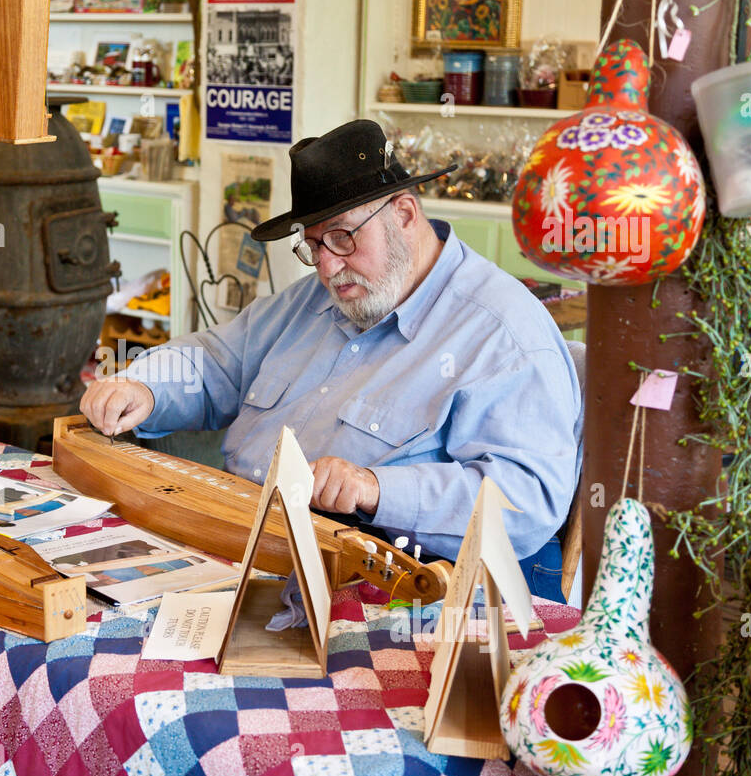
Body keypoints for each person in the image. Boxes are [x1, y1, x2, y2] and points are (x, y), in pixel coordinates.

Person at [80, 119, 583, 600]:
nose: (326, 265)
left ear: (404, 215)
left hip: (398, 586)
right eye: (314, 244)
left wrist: (376, 489)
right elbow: (215, 361)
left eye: (342, 238)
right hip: (247, 544)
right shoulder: (321, 297)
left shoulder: (501, 331)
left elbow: (526, 503)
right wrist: (143, 385)